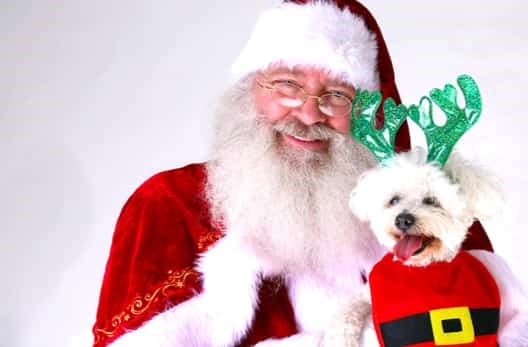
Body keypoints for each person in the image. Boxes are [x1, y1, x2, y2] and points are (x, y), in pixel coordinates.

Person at [91, 1, 496, 346]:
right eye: (287, 85)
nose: (307, 114)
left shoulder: (427, 214)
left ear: (367, 112)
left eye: (337, 96)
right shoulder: (167, 206)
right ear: (249, 90)